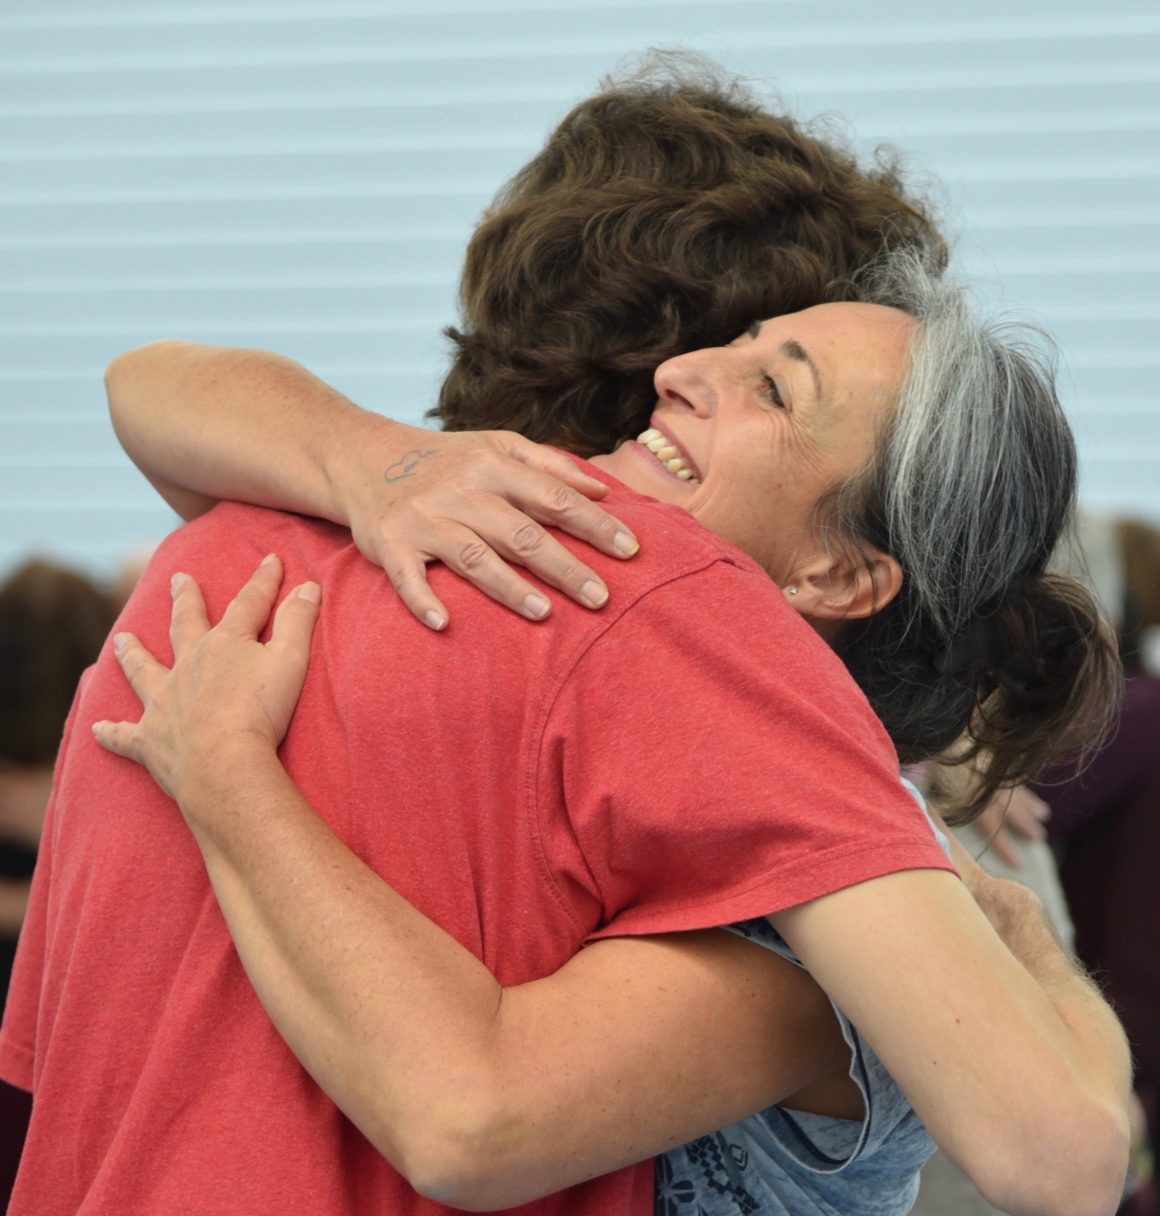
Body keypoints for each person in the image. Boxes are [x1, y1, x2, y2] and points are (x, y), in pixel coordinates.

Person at [3, 69, 1129, 1216]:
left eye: (772, 389)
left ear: (841, 575)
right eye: (733, 344)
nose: (679, 377)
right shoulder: (481, 584)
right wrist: (371, 462)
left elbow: (469, 1113)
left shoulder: (243, 563)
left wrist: (233, 771)